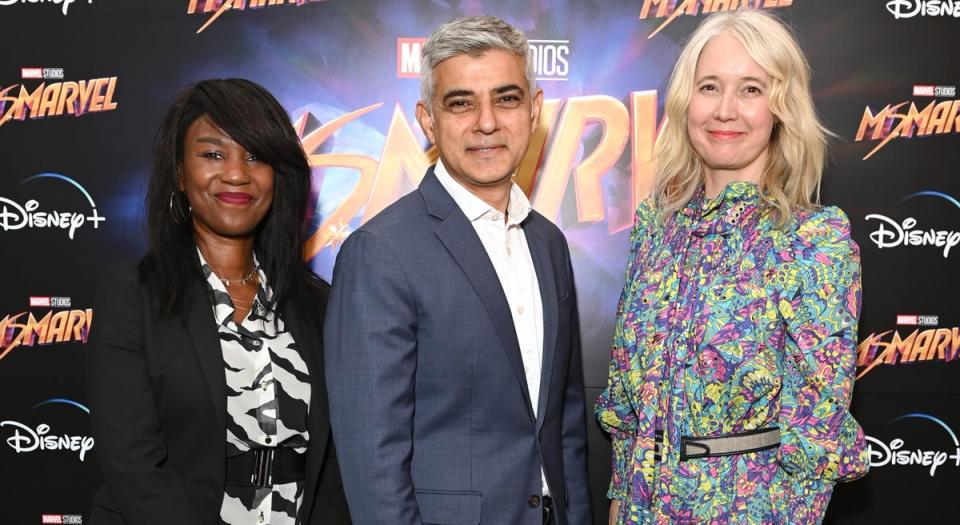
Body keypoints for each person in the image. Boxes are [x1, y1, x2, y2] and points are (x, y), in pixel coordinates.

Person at [595, 10, 868, 525]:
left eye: (750, 90)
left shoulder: (812, 241)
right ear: (685, 100)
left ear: (780, 106)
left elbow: (815, 428)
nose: (725, 110)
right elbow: (632, 415)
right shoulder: (656, 226)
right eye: (710, 87)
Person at [324, 15, 591, 525]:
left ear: (534, 111)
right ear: (428, 120)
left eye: (507, 98)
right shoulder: (381, 251)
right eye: (461, 102)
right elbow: (371, 459)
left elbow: (564, 422)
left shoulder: (549, 244)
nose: (486, 122)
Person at [86, 79, 350, 525]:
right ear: (179, 174)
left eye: (255, 156)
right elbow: (133, 464)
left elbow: (332, 466)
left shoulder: (316, 303)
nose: (236, 174)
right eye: (213, 154)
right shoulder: (133, 294)